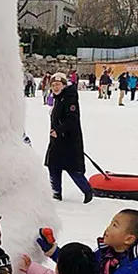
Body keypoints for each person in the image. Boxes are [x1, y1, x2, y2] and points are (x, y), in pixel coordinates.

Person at [45, 72, 93, 204]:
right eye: (53, 85)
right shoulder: (58, 98)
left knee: (73, 169)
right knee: (53, 166)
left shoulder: (69, 99)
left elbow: (72, 120)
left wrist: (59, 131)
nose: (55, 87)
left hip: (68, 140)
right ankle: (56, 193)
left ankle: (87, 190)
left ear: (64, 85)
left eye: (58, 84)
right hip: (57, 140)